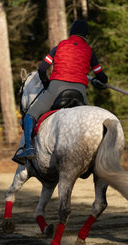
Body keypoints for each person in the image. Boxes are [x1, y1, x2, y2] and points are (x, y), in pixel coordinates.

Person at [14, 19, 108, 162]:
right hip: (79, 90)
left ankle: (28, 149)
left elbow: (42, 68)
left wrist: (46, 83)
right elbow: (102, 76)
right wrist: (97, 81)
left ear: (71, 32)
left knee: (30, 115)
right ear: (86, 36)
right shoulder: (89, 51)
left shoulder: (60, 46)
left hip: (57, 87)